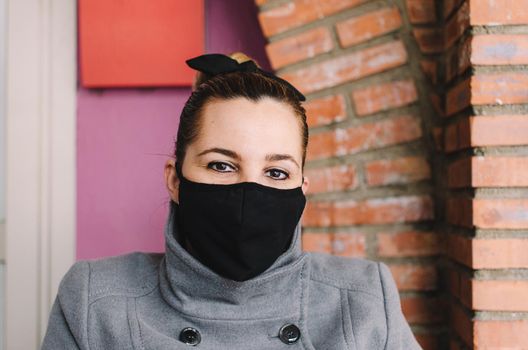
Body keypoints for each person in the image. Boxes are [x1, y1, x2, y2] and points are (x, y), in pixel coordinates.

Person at [41, 52, 421, 349]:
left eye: (276, 173)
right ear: (175, 179)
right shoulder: (96, 300)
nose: (247, 191)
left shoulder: (364, 299)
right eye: (222, 165)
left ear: (302, 188)